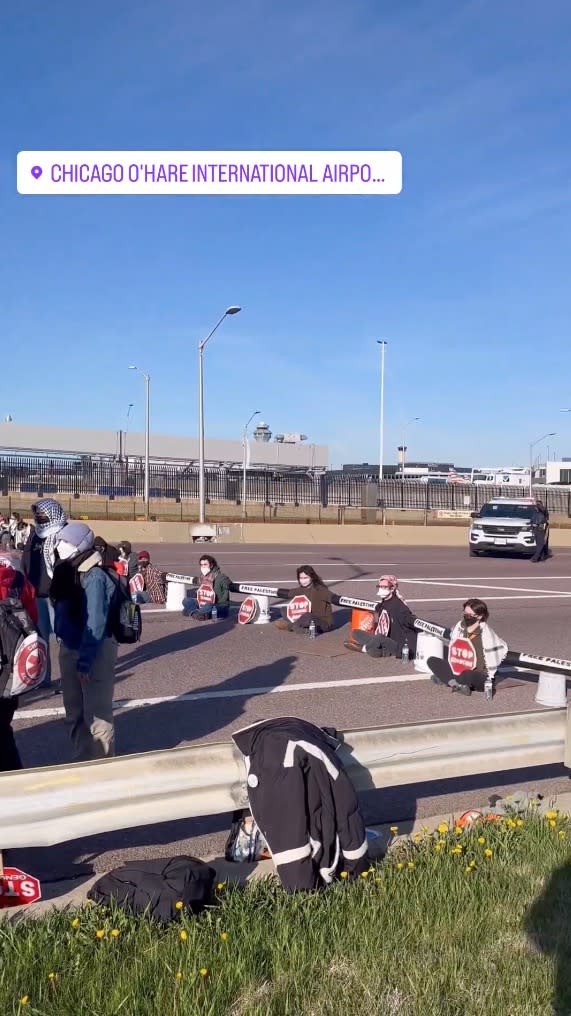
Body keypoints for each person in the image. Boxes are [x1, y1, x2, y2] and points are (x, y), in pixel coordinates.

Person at [50, 522, 118, 761]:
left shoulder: (94, 576)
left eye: (65, 542)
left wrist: (86, 661)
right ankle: (83, 760)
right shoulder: (68, 571)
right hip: (70, 646)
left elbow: (96, 622)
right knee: (74, 713)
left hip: (94, 649)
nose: (59, 546)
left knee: (97, 714)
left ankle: (101, 766)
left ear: (79, 546)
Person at [21, 498, 68, 691]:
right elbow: (26, 560)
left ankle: (69, 679)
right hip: (36, 594)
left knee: (63, 637)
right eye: (37, 513)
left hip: (56, 595)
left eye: (43, 513)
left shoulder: (63, 534)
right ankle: (43, 679)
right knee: (40, 638)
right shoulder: (34, 535)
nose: (39, 516)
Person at [0, 553, 38, 771]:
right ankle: (13, 780)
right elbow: (32, 622)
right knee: (3, 730)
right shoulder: (18, 581)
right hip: (10, 673)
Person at [428, 598, 508, 697]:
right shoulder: (459, 626)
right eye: (465, 613)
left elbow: (498, 649)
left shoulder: (486, 634)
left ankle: (447, 679)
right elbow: (452, 645)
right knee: (432, 660)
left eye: (470, 615)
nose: (466, 616)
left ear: (480, 616)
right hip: (460, 666)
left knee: (465, 674)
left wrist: (489, 673)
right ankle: (455, 684)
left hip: (478, 674)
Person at [344, 574, 417, 658]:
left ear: (392, 588)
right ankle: (374, 647)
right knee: (356, 632)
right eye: (380, 586)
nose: (381, 589)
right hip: (384, 638)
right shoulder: (384, 603)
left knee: (379, 638)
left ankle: (366, 649)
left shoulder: (400, 607)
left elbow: (409, 619)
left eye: (384, 587)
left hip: (397, 645)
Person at [274, 565, 333, 634]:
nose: (303, 580)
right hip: (306, 618)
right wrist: (273, 591)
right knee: (284, 609)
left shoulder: (321, 589)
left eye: (305, 577)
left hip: (323, 622)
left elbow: (334, 597)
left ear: (312, 577)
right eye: (301, 578)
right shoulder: (301, 589)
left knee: (307, 616)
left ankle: (291, 627)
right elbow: (290, 593)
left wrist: (344, 601)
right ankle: (298, 626)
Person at [182, 554, 231, 619]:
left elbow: (229, 585)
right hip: (204, 602)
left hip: (218, 605)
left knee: (206, 606)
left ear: (211, 565)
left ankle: (195, 612)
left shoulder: (221, 577)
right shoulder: (203, 577)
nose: (203, 567)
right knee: (186, 600)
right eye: (201, 565)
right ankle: (198, 614)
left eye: (205, 564)